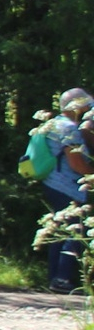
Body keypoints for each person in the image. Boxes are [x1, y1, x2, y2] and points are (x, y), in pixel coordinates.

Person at [40, 87, 94, 292]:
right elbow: (75, 161)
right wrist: (91, 176)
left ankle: (55, 277)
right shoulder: (69, 128)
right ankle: (62, 278)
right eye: (87, 105)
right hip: (67, 186)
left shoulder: (53, 124)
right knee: (76, 230)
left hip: (52, 183)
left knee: (61, 230)